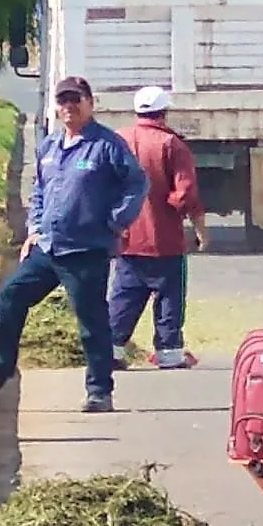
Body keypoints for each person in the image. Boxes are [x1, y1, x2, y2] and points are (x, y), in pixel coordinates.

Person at [0, 75, 148, 413]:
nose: (69, 107)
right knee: (13, 294)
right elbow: (41, 190)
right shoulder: (49, 147)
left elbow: (136, 185)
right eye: (63, 101)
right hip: (48, 246)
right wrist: (33, 228)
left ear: (91, 103)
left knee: (91, 323)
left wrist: (116, 222)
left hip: (86, 250)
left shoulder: (106, 145)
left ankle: (99, 391)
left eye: (76, 100)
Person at [109, 85, 207, 371]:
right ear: (164, 112)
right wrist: (197, 226)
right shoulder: (172, 145)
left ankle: (112, 349)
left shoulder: (118, 140)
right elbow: (185, 193)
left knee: (124, 295)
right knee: (169, 296)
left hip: (126, 238)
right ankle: (168, 352)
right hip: (164, 239)